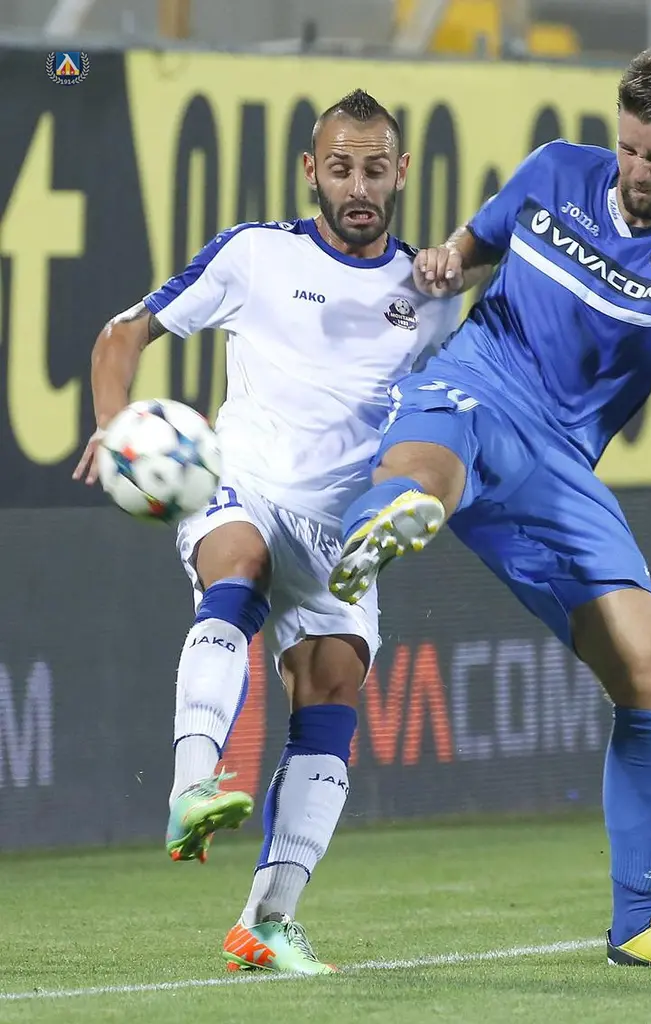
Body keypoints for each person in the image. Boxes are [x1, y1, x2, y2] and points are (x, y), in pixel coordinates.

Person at [329, 51, 651, 968]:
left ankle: (636, 927)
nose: (636, 171)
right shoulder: (553, 172)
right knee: (429, 467)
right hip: (475, 386)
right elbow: (473, 245)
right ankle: (376, 529)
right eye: (627, 149)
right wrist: (448, 258)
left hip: (560, 470)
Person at [73, 89, 460, 975]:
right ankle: (191, 786)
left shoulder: (429, 292)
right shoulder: (254, 253)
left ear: (401, 172)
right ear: (310, 170)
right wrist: (113, 425)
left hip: (338, 535)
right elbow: (121, 335)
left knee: (332, 693)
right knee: (237, 568)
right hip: (240, 482)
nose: (357, 186)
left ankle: (267, 921)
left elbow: (448, 416)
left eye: (374, 169)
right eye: (340, 168)